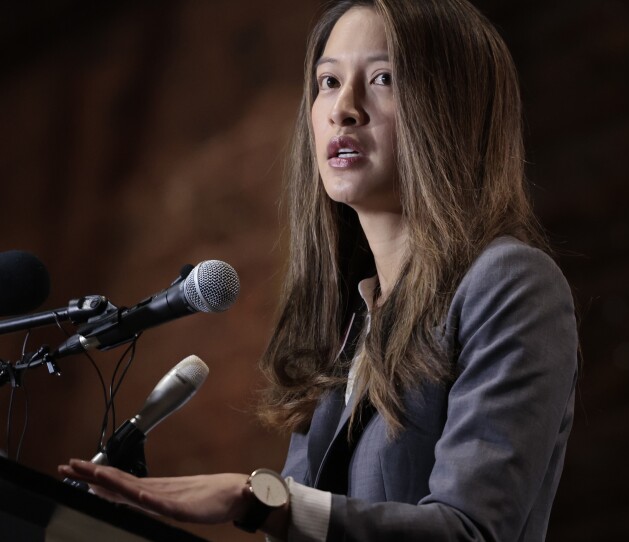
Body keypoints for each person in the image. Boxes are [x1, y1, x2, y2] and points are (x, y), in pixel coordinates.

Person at [59, 0, 579, 540]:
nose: (343, 109)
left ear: (456, 107)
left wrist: (263, 502)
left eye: (383, 78)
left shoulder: (510, 283)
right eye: (328, 82)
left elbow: (471, 529)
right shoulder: (348, 322)